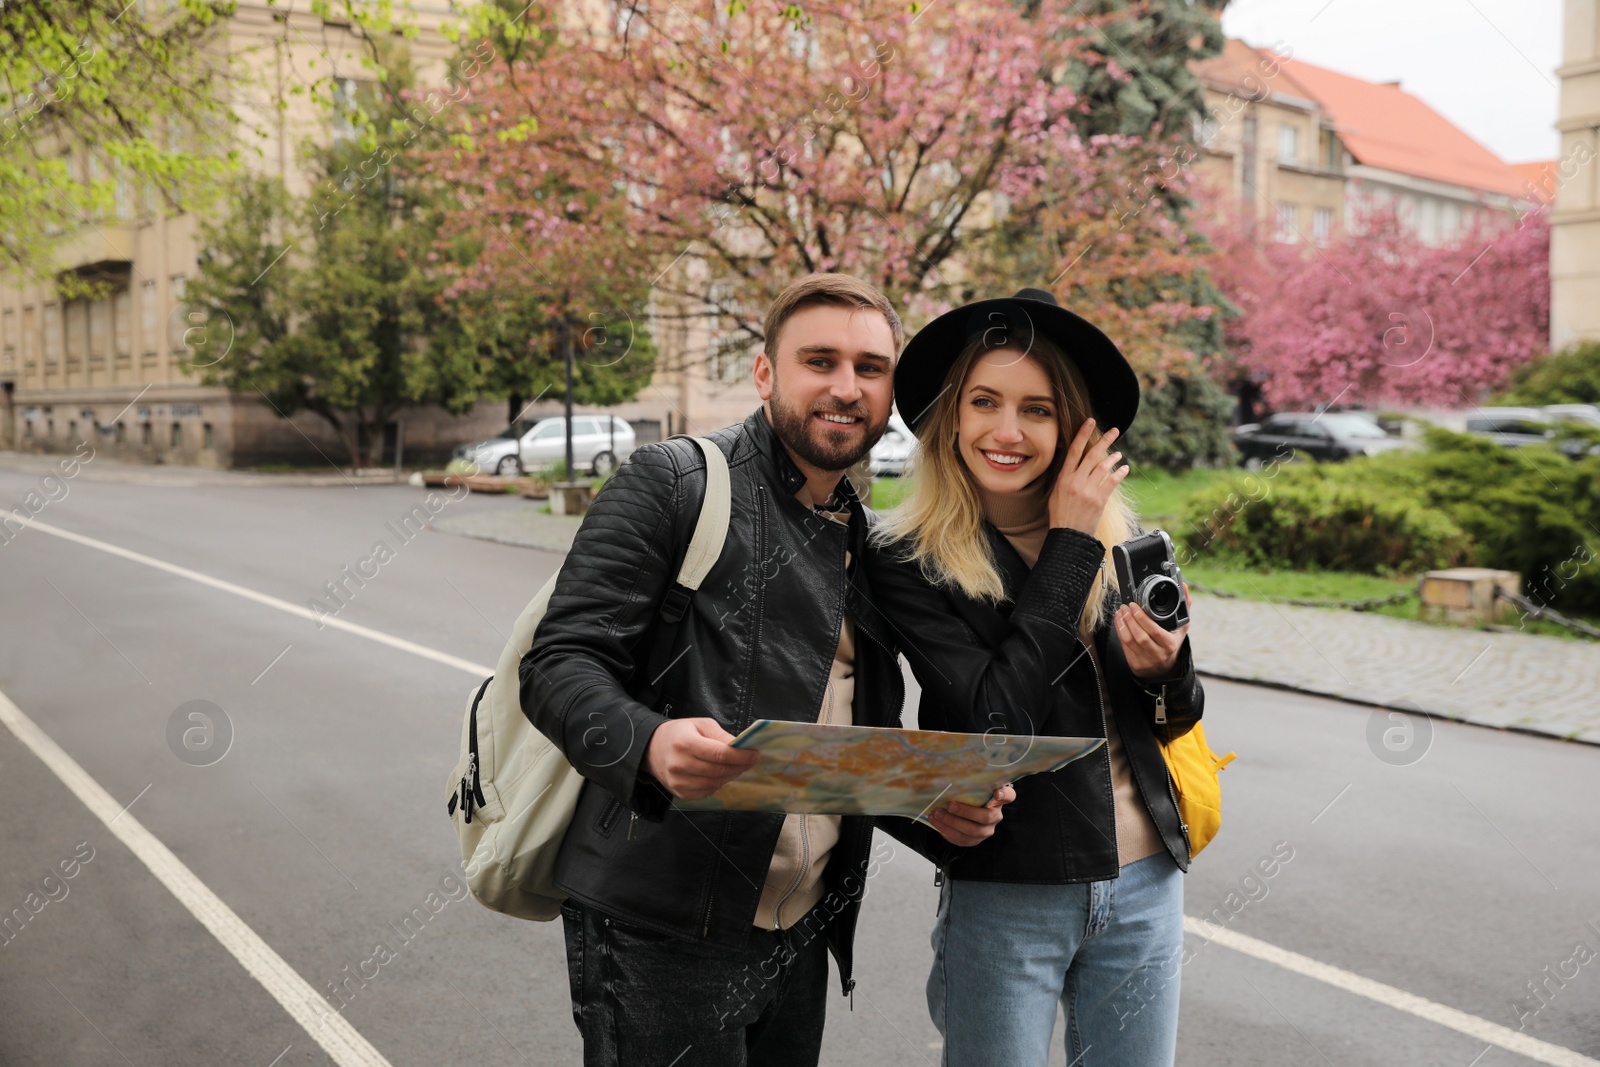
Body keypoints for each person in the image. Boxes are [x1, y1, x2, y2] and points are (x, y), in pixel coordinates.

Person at [519, 273, 1013, 1067]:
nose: (845, 388)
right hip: (662, 922)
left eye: (869, 367)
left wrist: (922, 802)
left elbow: (830, 741)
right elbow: (558, 664)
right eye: (819, 360)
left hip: (800, 928)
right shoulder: (674, 482)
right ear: (765, 373)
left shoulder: (866, 539)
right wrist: (647, 742)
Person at [868, 287, 1206, 1067]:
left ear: (1075, 427)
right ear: (952, 416)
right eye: (985, 401)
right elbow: (996, 720)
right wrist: (1068, 542)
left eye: (1039, 409)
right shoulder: (905, 560)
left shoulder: (1124, 545)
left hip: (1146, 883)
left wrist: (1168, 669)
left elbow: (1172, 717)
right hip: (1006, 892)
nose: (1008, 431)